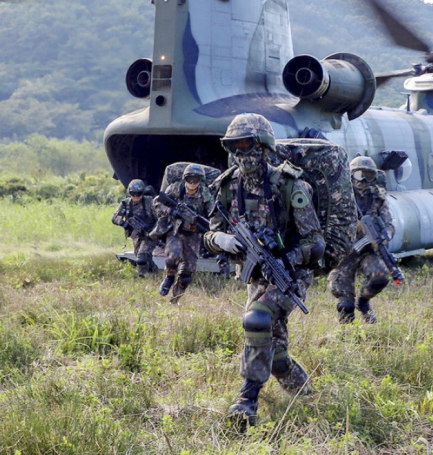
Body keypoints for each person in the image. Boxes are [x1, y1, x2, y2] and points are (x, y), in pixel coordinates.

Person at [205, 114, 325, 427]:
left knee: (257, 320)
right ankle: (306, 395)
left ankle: (246, 402)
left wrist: (288, 259)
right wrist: (223, 240)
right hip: (255, 276)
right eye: (235, 147)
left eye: (247, 146)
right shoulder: (227, 187)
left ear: (264, 147)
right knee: (273, 351)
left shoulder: (289, 185)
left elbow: (316, 243)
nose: (242, 154)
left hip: (291, 275)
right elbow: (210, 233)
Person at [329, 156, 394, 324]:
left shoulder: (378, 198)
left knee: (380, 277)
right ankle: (348, 335)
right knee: (344, 304)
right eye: (360, 174)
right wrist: (352, 226)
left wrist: (384, 238)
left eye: (369, 175)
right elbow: (329, 221)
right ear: (351, 175)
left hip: (367, 251)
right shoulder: (340, 196)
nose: (364, 179)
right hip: (344, 252)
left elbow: (389, 224)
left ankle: (363, 302)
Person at [152, 164, 214, 303]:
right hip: (176, 231)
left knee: (187, 273)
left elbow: (212, 213)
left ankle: (175, 299)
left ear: (201, 180)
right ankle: (169, 278)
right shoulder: (176, 188)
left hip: (194, 235)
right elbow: (157, 202)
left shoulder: (205, 193)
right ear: (184, 178)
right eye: (189, 179)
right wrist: (170, 211)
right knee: (173, 257)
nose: (192, 183)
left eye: (196, 180)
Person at [112, 179, 158, 277]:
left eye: (138, 194)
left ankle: (142, 277)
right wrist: (125, 224)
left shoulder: (149, 202)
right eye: (133, 194)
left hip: (149, 235)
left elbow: (159, 218)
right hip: (135, 235)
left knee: (141, 258)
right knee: (144, 257)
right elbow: (114, 217)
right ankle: (154, 272)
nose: (136, 197)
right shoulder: (125, 203)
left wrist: (153, 232)